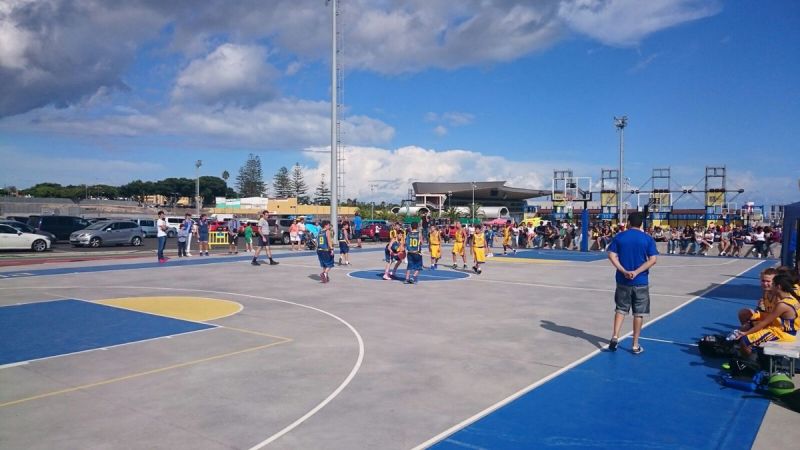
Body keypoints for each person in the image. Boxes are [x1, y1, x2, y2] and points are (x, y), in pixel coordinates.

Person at [606, 212, 658, 354]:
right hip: (640, 280)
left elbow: (611, 255)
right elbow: (653, 259)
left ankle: (615, 336)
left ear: (628, 222)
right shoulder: (647, 238)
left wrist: (623, 270)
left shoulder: (620, 237)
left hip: (623, 280)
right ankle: (635, 345)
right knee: (638, 313)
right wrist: (636, 272)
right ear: (641, 224)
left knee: (620, 309)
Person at [736, 271, 800, 356]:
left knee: (744, 341)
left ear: (778, 287)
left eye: (773, 284)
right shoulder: (790, 299)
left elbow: (765, 322)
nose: (770, 286)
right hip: (781, 329)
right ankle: (753, 352)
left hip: (783, 333)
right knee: (747, 327)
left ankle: (750, 361)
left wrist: (746, 333)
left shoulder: (782, 305)